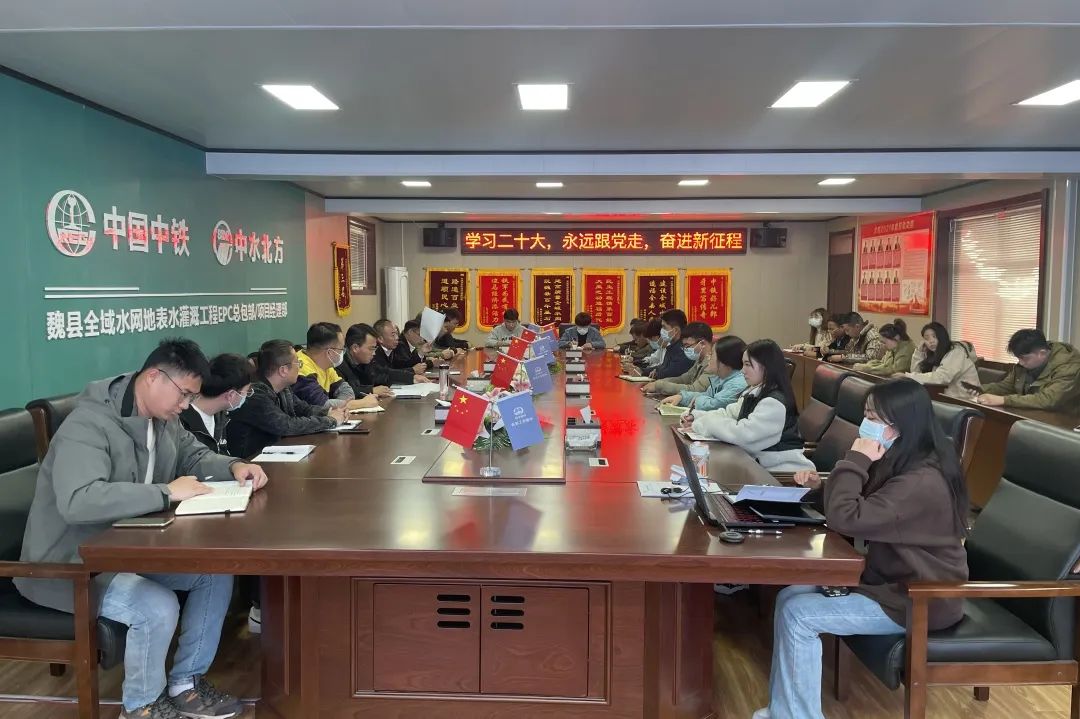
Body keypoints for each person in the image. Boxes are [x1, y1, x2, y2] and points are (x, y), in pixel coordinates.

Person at [16, 339, 268, 719]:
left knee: (214, 574)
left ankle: (185, 685)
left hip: (125, 550)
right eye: (184, 394)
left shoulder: (162, 418)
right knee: (156, 605)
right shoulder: (88, 424)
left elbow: (193, 455)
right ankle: (140, 708)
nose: (186, 405)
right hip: (70, 565)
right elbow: (79, 500)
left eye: (192, 396)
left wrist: (233, 466)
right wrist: (165, 492)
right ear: (153, 377)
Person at [758, 379, 968, 719]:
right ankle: (783, 712)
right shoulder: (902, 459)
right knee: (790, 596)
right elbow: (860, 506)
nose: (865, 425)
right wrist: (822, 487)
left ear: (901, 424)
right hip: (887, 582)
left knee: (799, 615)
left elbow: (848, 517)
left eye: (873, 417)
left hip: (918, 599)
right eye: (866, 414)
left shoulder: (922, 481)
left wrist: (856, 458)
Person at [684, 339, 814, 472]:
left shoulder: (774, 403)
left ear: (766, 366)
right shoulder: (754, 392)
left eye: (747, 365)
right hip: (756, 466)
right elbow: (730, 413)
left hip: (782, 474)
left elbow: (744, 436)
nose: (742, 371)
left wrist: (707, 423)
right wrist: (696, 416)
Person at [226, 339, 346, 459]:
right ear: (283, 370)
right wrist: (330, 420)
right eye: (298, 363)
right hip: (252, 461)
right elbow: (286, 425)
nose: (300, 368)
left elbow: (304, 409)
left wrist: (330, 412)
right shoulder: (255, 394)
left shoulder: (283, 388)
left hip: (277, 455)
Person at [976, 328, 1080, 410]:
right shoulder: (1027, 362)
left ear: (1042, 353)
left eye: (1024, 358)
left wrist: (1004, 400)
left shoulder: (1069, 367)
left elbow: (1048, 400)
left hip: (1063, 422)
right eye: (1018, 358)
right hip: (1030, 416)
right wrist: (977, 389)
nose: (1020, 362)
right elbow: (1006, 387)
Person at [179, 353, 253, 454]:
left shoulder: (221, 417)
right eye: (247, 391)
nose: (247, 396)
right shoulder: (182, 422)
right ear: (231, 395)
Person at [660, 335, 748, 411]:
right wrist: (682, 397)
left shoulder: (737, 384)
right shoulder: (720, 377)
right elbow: (706, 395)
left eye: (712, 354)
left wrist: (696, 401)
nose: (708, 357)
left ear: (724, 361)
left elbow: (714, 405)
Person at [899, 322, 979, 398]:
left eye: (934, 336)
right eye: (926, 338)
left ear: (942, 337)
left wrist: (909, 376)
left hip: (966, 399)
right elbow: (916, 373)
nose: (931, 341)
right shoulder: (933, 353)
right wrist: (918, 353)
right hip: (947, 396)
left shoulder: (956, 352)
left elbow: (942, 377)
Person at [294, 322, 360, 409]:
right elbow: (321, 405)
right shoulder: (301, 369)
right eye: (341, 349)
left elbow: (347, 391)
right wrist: (359, 404)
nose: (343, 353)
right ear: (330, 352)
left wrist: (341, 407)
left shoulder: (326, 365)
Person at [641, 322, 714, 395]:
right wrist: (658, 383)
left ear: (702, 343)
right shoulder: (700, 359)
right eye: (684, 346)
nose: (685, 349)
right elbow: (683, 379)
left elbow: (695, 389)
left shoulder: (713, 362)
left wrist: (659, 386)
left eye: (687, 346)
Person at [337, 323, 396, 399]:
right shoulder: (338, 364)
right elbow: (340, 392)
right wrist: (371, 390)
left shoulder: (365, 362)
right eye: (371, 349)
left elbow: (383, 374)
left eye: (375, 348)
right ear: (355, 348)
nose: (374, 353)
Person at [373, 318, 431, 385]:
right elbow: (384, 373)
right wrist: (412, 373)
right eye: (393, 335)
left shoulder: (391, 350)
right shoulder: (375, 353)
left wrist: (421, 352)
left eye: (397, 334)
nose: (397, 338)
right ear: (380, 339)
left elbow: (403, 365)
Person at [650, 309, 694, 380]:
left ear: (675, 330)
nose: (661, 331)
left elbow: (671, 373)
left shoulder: (684, 349)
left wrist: (658, 373)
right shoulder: (672, 346)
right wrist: (642, 371)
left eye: (664, 327)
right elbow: (663, 367)